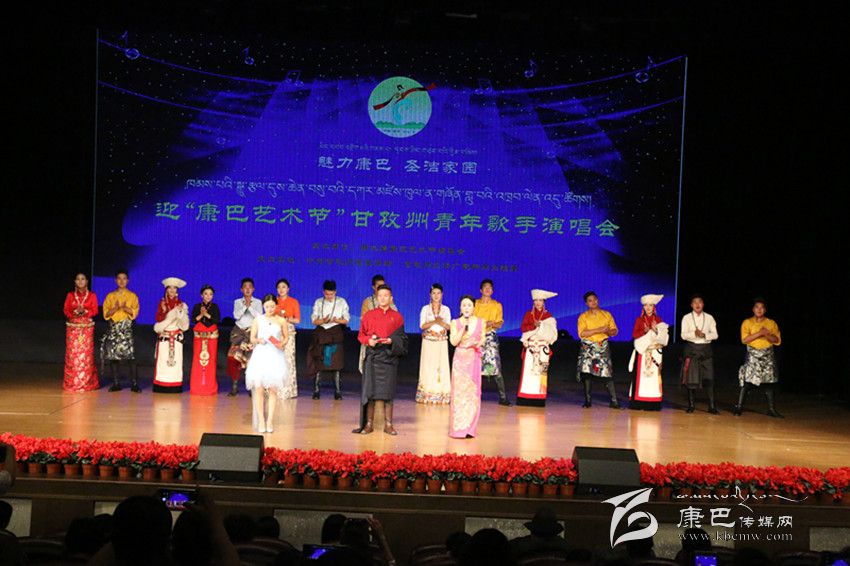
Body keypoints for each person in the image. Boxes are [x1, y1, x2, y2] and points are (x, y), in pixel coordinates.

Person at [354, 284, 407, 435]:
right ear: (377, 298)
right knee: (370, 392)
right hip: (373, 357)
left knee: (388, 393)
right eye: (380, 296)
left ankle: (388, 424)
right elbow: (361, 335)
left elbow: (402, 338)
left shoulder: (397, 317)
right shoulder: (369, 315)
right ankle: (369, 424)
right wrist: (368, 341)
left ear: (391, 298)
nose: (383, 298)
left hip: (389, 358)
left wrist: (392, 341)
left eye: (386, 296)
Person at [246, 294, 290, 433]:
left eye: (272, 306)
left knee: (273, 389)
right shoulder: (258, 320)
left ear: (276, 306)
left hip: (275, 355)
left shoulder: (281, 320)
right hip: (260, 355)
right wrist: (259, 340)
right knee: (259, 388)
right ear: (263, 306)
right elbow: (252, 338)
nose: (269, 309)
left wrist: (282, 343)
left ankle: (270, 420)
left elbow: (286, 337)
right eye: (267, 306)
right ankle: (261, 420)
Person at [734, 298, 783, 418]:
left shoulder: (771, 323)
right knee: (747, 381)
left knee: (769, 382)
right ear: (753, 309)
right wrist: (760, 333)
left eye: (762, 308)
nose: (759, 310)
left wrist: (767, 334)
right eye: (757, 307)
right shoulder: (747, 322)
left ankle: (771, 409)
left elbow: (777, 340)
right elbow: (744, 340)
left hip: (767, 355)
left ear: (765, 310)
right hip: (753, 355)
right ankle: (739, 407)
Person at [449, 295, 486, 438]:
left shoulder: (481, 322)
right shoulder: (455, 322)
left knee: (472, 393)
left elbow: (482, 339)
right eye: (464, 305)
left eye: (469, 305)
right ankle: (458, 429)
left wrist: (476, 343)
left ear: (474, 307)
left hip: (473, 360)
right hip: (460, 360)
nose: (466, 308)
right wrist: (462, 331)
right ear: (460, 308)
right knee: (459, 394)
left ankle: (470, 429)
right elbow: (453, 342)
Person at [576, 291, 620, 408]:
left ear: (598, 300)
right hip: (588, 347)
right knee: (587, 373)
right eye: (590, 301)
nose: (593, 302)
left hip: (602, 346)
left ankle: (614, 401)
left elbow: (614, 331)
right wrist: (599, 330)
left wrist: (608, 331)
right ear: (586, 303)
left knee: (607, 373)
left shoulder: (606, 315)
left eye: (595, 299)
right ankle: (588, 400)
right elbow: (582, 333)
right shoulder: (583, 316)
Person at [308, 280, 350, 400]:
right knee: (319, 362)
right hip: (321, 333)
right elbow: (313, 320)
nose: (329, 296)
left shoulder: (342, 302)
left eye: (331, 294)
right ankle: (316, 390)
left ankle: (337, 391)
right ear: (323, 292)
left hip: (335, 333)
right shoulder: (318, 302)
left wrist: (337, 320)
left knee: (336, 363)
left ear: (335, 292)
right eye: (327, 294)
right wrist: (323, 320)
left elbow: (346, 319)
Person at [101, 269, 141, 393]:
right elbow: (106, 314)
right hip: (114, 328)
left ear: (127, 280)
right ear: (116, 280)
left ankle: (134, 383)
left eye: (124, 278)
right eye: (119, 278)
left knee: (131, 356)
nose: (122, 281)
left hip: (126, 328)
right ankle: (116, 383)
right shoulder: (110, 296)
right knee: (113, 356)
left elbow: (135, 312)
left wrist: (124, 307)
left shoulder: (132, 296)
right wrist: (115, 308)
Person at [516, 290, 559, 407]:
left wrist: (541, 325)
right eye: (536, 300)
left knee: (541, 374)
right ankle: (525, 397)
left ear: (544, 302)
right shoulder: (528, 314)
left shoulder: (549, 316)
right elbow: (523, 328)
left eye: (540, 300)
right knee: (528, 373)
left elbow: (552, 333)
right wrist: (533, 326)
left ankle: (539, 398)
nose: (538, 303)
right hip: (531, 347)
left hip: (542, 348)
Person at [628, 294, 669, 411]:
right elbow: (635, 334)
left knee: (653, 378)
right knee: (640, 377)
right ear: (643, 307)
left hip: (654, 351)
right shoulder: (639, 320)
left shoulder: (658, 319)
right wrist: (645, 332)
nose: (648, 308)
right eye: (646, 305)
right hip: (642, 352)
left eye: (650, 305)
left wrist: (655, 330)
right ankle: (638, 402)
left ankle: (653, 403)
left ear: (654, 307)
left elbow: (663, 337)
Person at [474, 279, 511, 406]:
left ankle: (503, 397)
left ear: (492, 290)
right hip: (477, 338)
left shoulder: (497, 305)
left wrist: (492, 324)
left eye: (490, 287)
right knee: (475, 366)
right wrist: (482, 324)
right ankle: (473, 395)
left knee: (495, 366)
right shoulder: (475, 304)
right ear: (481, 290)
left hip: (490, 337)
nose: (487, 289)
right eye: (485, 287)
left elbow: (500, 323)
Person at [680, 294, 720, 414]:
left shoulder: (709, 317)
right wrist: (694, 333)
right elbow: (683, 335)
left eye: (700, 302)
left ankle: (711, 406)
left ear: (703, 304)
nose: (697, 305)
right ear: (691, 305)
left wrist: (704, 335)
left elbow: (715, 335)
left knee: (709, 378)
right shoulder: (686, 318)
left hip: (706, 349)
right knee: (691, 378)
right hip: (692, 349)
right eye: (695, 302)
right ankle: (691, 405)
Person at [152, 277, 190, 393]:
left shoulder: (182, 304)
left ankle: (175, 385)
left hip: (176, 336)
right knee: (163, 361)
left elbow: (184, 325)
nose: (172, 290)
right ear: (166, 289)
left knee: (176, 363)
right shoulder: (162, 303)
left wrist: (180, 313)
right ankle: (161, 385)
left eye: (175, 288)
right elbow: (158, 319)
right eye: (170, 288)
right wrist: (165, 312)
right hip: (165, 335)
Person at [63, 272, 99, 391]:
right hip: (73, 329)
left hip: (86, 329)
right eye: (78, 279)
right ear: (75, 281)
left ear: (87, 281)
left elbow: (95, 310)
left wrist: (85, 311)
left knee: (86, 356)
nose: (80, 281)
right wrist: (75, 312)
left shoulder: (92, 295)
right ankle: (72, 382)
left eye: (83, 279)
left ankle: (87, 383)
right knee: (73, 355)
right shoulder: (70, 295)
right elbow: (66, 310)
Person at [416, 283, 452, 404]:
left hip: (441, 342)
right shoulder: (425, 309)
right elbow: (422, 325)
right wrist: (434, 321)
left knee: (441, 366)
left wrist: (439, 322)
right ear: (430, 295)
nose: (436, 295)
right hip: (428, 342)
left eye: (438, 293)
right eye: (434, 293)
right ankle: (426, 394)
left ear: (442, 295)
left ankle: (442, 395)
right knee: (427, 366)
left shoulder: (446, 309)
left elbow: (449, 326)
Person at [227, 278, 263, 397]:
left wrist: (250, 307)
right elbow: (236, 316)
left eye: (250, 287)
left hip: (251, 333)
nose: (247, 289)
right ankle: (234, 386)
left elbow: (259, 316)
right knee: (233, 357)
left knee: (251, 359)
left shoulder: (257, 302)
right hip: (238, 332)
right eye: (245, 287)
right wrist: (244, 307)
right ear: (241, 289)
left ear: (253, 289)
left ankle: (250, 386)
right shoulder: (237, 302)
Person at [359, 274, 398, 375]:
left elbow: (395, 319)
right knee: (369, 370)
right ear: (373, 287)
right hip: (372, 339)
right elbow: (363, 320)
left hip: (385, 339)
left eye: (383, 285)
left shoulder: (390, 301)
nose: (381, 288)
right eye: (378, 286)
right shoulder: (367, 302)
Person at [190, 285, 221, 396]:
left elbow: (217, 320)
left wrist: (207, 315)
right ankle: (197, 387)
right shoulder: (197, 306)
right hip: (199, 337)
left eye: (211, 294)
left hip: (211, 337)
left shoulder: (215, 307)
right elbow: (193, 320)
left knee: (211, 360)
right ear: (201, 295)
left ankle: (209, 387)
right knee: (197, 360)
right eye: (206, 294)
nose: (208, 296)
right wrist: (201, 315)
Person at [273, 278, 301, 399]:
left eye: (284, 287)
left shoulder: (294, 302)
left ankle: (288, 390)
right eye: (279, 287)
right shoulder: (274, 301)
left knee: (288, 360)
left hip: (288, 332)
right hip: (275, 332)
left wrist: (288, 318)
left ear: (288, 289)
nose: (281, 289)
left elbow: (298, 320)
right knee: (275, 360)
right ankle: (274, 390)